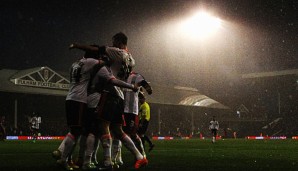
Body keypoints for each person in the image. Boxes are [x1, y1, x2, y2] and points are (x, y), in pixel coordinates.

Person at [53, 48, 101, 171]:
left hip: (70, 97)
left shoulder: (75, 63)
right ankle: (63, 159)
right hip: (79, 99)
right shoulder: (90, 61)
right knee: (76, 131)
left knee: (74, 130)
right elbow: (104, 63)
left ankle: (65, 157)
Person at [112, 71, 153, 167]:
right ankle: (116, 159)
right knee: (117, 133)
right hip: (122, 110)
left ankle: (142, 155)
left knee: (133, 135)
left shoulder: (136, 76)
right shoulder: (121, 76)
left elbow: (144, 83)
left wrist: (148, 89)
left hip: (131, 111)